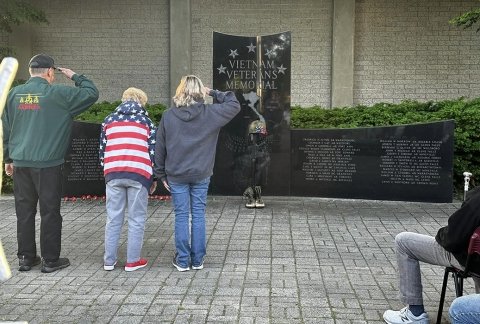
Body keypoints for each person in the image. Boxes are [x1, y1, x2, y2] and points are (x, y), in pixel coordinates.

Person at [2, 53, 99, 273]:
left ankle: (26, 258)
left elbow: (6, 130)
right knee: (50, 212)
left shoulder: (14, 94)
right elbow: (92, 93)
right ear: (49, 72)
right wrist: (75, 76)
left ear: (30, 71)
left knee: (24, 211)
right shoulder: (59, 94)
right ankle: (50, 260)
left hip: (21, 163)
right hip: (48, 165)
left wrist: (8, 158)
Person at [154, 75, 240, 272]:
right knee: (199, 214)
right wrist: (213, 92)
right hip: (201, 172)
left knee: (182, 215)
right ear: (200, 91)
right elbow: (234, 104)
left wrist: (161, 175)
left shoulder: (169, 115)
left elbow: (160, 147)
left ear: (180, 90)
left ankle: (183, 260)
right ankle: (198, 260)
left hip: (176, 174)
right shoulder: (211, 113)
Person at [383, 187, 480, 324]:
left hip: (470, 261)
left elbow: (452, 239)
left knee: (403, 241)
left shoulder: (476, 201)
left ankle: (414, 314)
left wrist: (441, 233)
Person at [99, 87, 157, 272]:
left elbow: (102, 151)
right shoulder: (147, 122)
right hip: (139, 174)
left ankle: (109, 261)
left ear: (123, 100)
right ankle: (132, 261)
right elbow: (152, 152)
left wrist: (107, 172)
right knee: (136, 218)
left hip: (113, 173)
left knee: (113, 217)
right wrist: (153, 177)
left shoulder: (108, 121)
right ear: (142, 102)